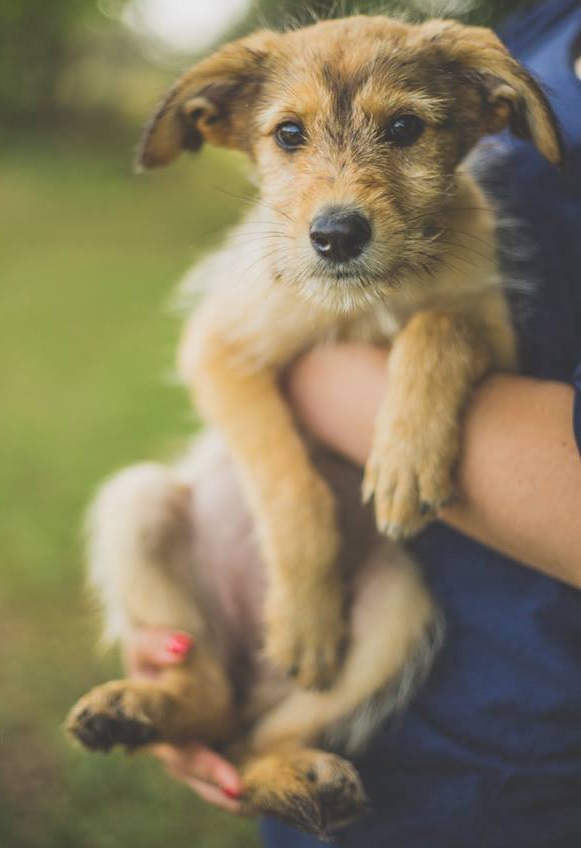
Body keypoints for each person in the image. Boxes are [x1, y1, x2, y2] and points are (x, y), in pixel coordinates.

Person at [123, 1, 581, 844]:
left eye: (401, 129)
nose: (340, 198)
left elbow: (484, 335)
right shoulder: (539, 26)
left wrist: (433, 345)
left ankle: (276, 741)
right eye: (291, 137)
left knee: (392, 606)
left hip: (512, 753)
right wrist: (294, 529)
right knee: (133, 509)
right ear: (223, 125)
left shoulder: (489, 100)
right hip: (292, 591)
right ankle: (192, 697)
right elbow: (220, 352)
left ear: (491, 110)